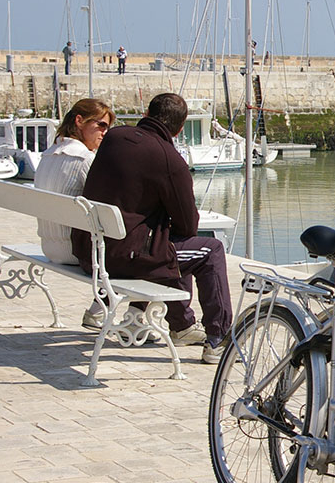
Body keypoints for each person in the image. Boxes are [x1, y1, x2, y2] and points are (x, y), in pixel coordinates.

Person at [76, 92, 231, 363]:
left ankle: (181, 324)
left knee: (167, 245)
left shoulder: (114, 137)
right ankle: (218, 340)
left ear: (146, 115)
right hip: (124, 260)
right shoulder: (170, 160)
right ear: (180, 129)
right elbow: (188, 225)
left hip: (88, 251)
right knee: (210, 251)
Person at [34, 99, 117, 329]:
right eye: (100, 125)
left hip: (49, 245)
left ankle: (101, 310)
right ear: (79, 121)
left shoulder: (47, 156)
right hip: (73, 252)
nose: (105, 132)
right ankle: (114, 314)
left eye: (107, 127)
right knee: (140, 253)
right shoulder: (85, 160)